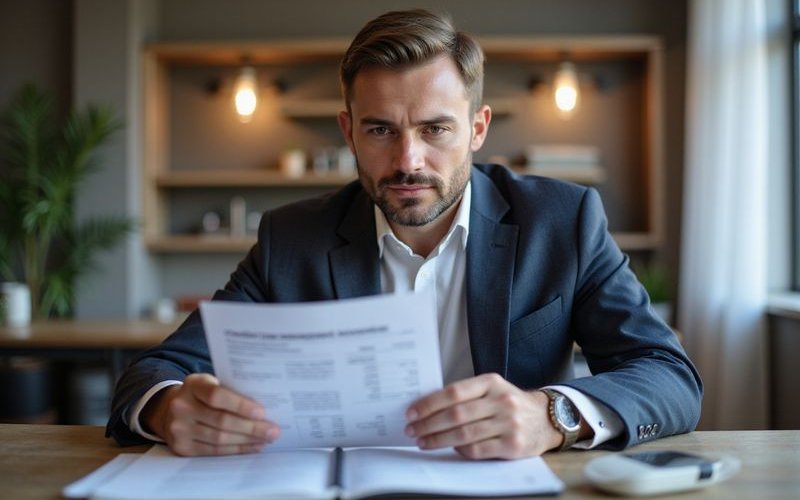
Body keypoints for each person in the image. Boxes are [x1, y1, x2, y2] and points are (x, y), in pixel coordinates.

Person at [107, 9, 702, 459]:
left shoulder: (562, 221)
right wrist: (166, 409)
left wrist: (551, 416)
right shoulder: (292, 238)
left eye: (435, 129)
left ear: (477, 128)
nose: (407, 161)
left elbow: (668, 375)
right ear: (348, 131)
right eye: (380, 130)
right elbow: (156, 370)